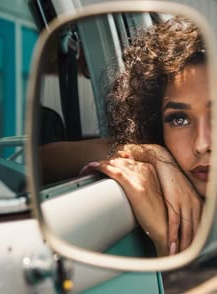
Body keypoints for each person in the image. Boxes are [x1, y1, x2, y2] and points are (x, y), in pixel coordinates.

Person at [40, 16, 209, 256]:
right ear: (155, 124)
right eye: (179, 119)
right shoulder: (157, 157)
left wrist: (167, 247)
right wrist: (149, 153)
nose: (201, 144)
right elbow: (39, 161)